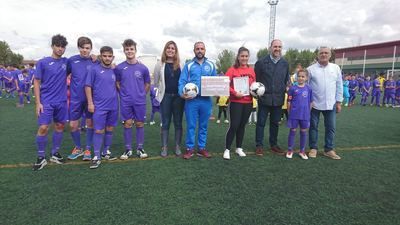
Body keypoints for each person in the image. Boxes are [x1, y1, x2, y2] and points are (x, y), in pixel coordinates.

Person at [32, 34, 69, 171]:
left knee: (59, 126)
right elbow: (36, 81)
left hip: (62, 101)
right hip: (46, 101)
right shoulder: (43, 62)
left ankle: (55, 153)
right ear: (52, 46)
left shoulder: (66, 62)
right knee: (43, 128)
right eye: (57, 46)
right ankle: (41, 157)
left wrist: (94, 57)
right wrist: (38, 103)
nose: (60, 49)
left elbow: (81, 61)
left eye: (62, 46)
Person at [178, 41, 217, 159]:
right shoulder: (188, 65)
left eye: (202, 48)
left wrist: (218, 91)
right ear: (194, 50)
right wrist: (182, 93)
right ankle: (189, 148)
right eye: (197, 49)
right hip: (191, 101)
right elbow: (182, 81)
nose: (200, 50)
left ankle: (201, 148)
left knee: (204, 125)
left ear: (205, 50)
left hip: (206, 101)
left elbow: (215, 81)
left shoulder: (211, 64)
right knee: (191, 125)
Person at [115, 39, 150, 160]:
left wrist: (141, 94)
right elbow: (117, 83)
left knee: (140, 123)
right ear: (124, 51)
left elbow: (147, 84)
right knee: (128, 124)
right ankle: (128, 149)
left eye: (131, 49)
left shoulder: (143, 68)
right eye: (127, 49)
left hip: (139, 101)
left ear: (135, 50)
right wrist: (124, 94)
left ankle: (140, 148)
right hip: (126, 101)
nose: (129, 51)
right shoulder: (119, 67)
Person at [254, 39, 290, 156]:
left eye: (279, 47)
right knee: (261, 123)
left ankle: (273, 144)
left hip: (278, 99)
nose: (277, 49)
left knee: (275, 123)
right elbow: (257, 80)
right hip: (264, 98)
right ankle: (259, 145)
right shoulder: (261, 62)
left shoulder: (285, 63)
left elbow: (286, 81)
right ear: (270, 47)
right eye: (275, 46)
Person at [85, 46, 118, 169]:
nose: (107, 58)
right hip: (99, 106)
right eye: (105, 56)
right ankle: (97, 156)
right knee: (98, 130)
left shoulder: (115, 70)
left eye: (110, 56)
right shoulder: (94, 70)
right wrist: (90, 103)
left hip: (114, 105)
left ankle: (106, 152)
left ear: (113, 57)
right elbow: (88, 87)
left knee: (110, 128)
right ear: (101, 56)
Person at [307, 46, 343, 160]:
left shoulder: (336, 68)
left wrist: (338, 102)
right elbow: (306, 87)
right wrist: (308, 101)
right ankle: (313, 148)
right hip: (314, 104)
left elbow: (339, 85)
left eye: (326, 53)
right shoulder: (310, 69)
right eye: (321, 53)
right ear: (318, 55)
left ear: (330, 55)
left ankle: (329, 149)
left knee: (331, 127)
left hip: (331, 104)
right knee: (313, 127)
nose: (323, 55)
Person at [67, 37, 98, 161]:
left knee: (90, 123)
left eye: (87, 48)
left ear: (90, 49)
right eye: (83, 48)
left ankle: (88, 149)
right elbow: (64, 74)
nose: (85, 50)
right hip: (75, 98)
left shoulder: (95, 61)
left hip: (91, 99)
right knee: (73, 125)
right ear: (78, 48)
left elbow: (109, 64)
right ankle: (78, 148)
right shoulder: (72, 60)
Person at [223, 46, 255, 160]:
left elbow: (254, 85)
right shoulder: (232, 69)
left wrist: (255, 91)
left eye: (246, 56)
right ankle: (227, 149)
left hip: (248, 102)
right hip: (236, 101)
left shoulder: (251, 70)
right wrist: (234, 92)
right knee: (234, 125)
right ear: (238, 57)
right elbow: (225, 84)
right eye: (242, 56)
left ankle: (238, 148)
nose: (244, 58)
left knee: (242, 126)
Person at [153, 41, 185, 157]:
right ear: (165, 50)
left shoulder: (181, 64)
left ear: (175, 51)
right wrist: (158, 94)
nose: (170, 50)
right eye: (168, 48)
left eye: (173, 48)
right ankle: (164, 146)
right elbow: (156, 82)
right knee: (165, 122)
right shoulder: (159, 64)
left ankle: (177, 146)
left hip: (178, 98)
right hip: (165, 97)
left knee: (178, 122)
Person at [286, 69, 313, 160]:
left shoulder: (309, 88)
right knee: (293, 130)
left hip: (305, 115)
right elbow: (289, 102)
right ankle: (290, 150)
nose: (300, 78)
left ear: (306, 78)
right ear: (296, 77)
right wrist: (289, 113)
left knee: (303, 131)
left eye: (303, 76)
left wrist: (308, 112)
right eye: (299, 76)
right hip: (294, 114)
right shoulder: (292, 88)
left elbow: (311, 102)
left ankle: (302, 151)